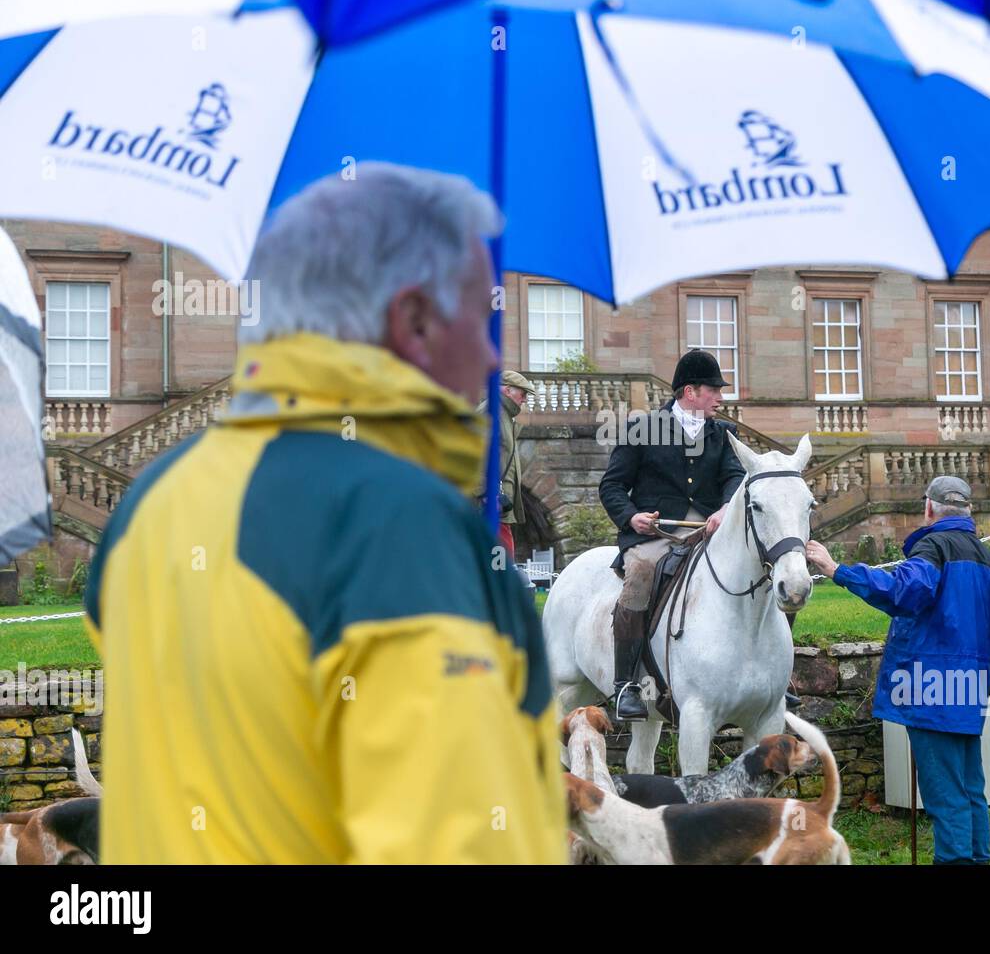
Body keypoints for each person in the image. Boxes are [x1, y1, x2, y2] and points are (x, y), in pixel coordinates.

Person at [82, 164, 566, 863]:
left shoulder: (152, 502)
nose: (492, 354)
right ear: (413, 320)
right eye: (480, 318)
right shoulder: (396, 520)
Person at [805, 476, 990, 864]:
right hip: (970, 685)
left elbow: (902, 591)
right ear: (969, 511)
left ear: (929, 509)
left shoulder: (934, 546)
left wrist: (838, 570)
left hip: (930, 688)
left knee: (946, 796)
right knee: (969, 790)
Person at [598, 349, 746, 720]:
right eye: (714, 389)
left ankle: (774, 675)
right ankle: (626, 685)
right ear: (690, 392)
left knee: (766, 570)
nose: (721, 397)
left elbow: (735, 477)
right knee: (641, 574)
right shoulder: (642, 429)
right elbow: (612, 486)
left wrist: (727, 508)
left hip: (709, 533)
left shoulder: (724, 433)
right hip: (654, 535)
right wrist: (632, 518)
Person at [478, 369, 535, 561]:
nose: (525, 398)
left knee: (499, 564)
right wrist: (487, 493)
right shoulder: (492, 412)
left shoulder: (502, 415)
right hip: (490, 506)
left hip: (498, 506)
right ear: (507, 390)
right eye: (523, 393)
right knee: (499, 566)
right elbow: (476, 454)